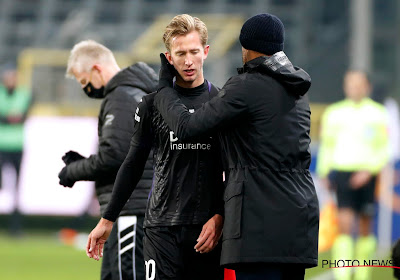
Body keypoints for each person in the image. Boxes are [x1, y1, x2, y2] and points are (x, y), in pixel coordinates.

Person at [153, 13, 319, 280]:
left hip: (258, 225)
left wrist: (163, 91)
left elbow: (186, 128)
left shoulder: (245, 87)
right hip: (299, 223)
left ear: (246, 47)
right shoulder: (298, 91)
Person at [86, 15, 225, 280]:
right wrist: (107, 219)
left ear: (205, 52)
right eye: (180, 53)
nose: (188, 61)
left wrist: (220, 214)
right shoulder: (150, 105)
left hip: (206, 231)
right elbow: (133, 163)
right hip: (161, 230)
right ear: (168, 57)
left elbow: (232, 168)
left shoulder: (221, 102)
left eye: (194, 52)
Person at [59, 40, 157, 280]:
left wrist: (73, 171)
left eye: (85, 81)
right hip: (129, 208)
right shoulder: (134, 91)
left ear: (96, 69)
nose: (87, 88)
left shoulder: (121, 97)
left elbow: (114, 155)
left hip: (131, 209)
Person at [316, 70, 389, 280]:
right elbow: (327, 146)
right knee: (344, 224)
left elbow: (383, 148)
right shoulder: (334, 113)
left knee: (365, 227)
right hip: (343, 173)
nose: (354, 88)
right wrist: (324, 171)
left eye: (358, 84)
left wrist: (369, 170)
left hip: (368, 175)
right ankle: (343, 273)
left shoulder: (378, 114)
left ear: (367, 87)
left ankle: (363, 274)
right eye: (350, 84)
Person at [0, 65, 32, 235]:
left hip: (17, 145)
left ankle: (15, 226)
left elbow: (24, 116)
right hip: (1, 145)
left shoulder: (23, 94)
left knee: (17, 188)